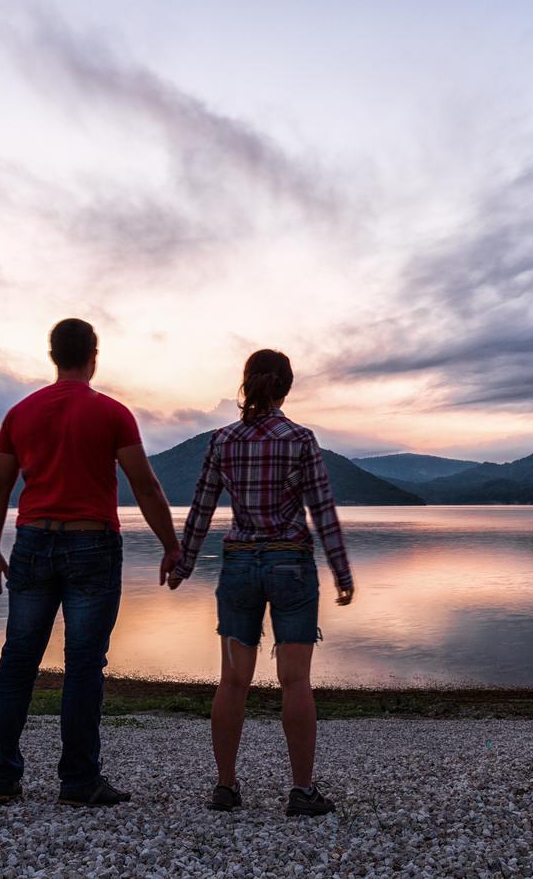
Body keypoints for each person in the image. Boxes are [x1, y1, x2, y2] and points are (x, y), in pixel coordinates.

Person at [0, 318, 181, 807]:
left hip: (31, 544)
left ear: (53, 355)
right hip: (92, 546)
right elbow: (146, 485)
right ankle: (78, 781)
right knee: (84, 666)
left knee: (17, 662)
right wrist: (172, 547)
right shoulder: (111, 413)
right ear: (94, 355)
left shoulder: (19, 414)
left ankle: (3, 778)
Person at [166, 349, 354, 817]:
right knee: (295, 681)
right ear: (286, 388)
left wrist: (183, 562)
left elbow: (202, 508)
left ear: (247, 383)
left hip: (239, 564)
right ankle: (302, 791)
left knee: (232, 680)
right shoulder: (301, 439)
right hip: (291, 563)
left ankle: (226, 788)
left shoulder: (222, 441)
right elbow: (322, 511)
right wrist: (342, 572)